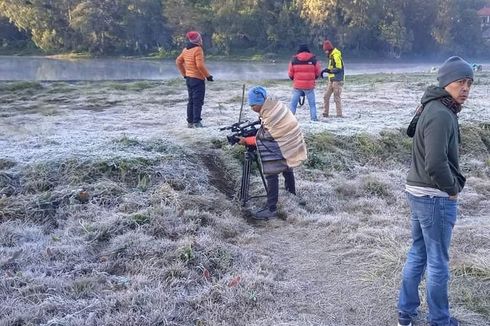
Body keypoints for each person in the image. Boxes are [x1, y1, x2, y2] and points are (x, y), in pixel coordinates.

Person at [397, 56, 474, 326]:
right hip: (434, 196)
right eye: (460, 82)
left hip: (417, 191)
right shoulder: (441, 114)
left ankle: (405, 314)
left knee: (418, 252)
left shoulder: (433, 106)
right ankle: (440, 320)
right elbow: (436, 162)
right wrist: (452, 189)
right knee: (438, 262)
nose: (465, 88)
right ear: (446, 82)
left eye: (469, 83)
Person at [238, 86, 307, 220]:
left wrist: (246, 141)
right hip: (291, 140)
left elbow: (266, 137)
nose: (252, 108)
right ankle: (291, 196)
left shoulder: (270, 114)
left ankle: (271, 208)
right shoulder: (274, 105)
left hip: (284, 141)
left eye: (253, 105)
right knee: (287, 168)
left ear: (260, 102)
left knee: (271, 173)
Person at [175, 31, 213, 128]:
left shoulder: (185, 50)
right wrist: (208, 76)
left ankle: (190, 122)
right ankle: (197, 122)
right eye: (200, 38)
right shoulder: (198, 49)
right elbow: (199, 65)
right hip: (197, 79)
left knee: (191, 101)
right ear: (198, 39)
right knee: (198, 101)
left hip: (189, 79)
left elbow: (178, 62)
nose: (201, 39)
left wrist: (184, 74)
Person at [288, 44, 321, 121]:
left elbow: (290, 74)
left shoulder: (294, 60)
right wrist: (313, 78)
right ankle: (314, 118)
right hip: (309, 86)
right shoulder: (313, 59)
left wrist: (294, 79)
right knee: (312, 105)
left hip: (297, 85)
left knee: (293, 104)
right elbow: (318, 72)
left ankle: (290, 119)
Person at [321, 39, 344, 118]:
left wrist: (329, 70)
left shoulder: (336, 55)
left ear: (328, 50)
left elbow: (339, 67)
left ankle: (339, 115)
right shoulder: (331, 56)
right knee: (326, 96)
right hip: (331, 80)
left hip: (337, 80)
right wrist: (327, 71)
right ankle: (325, 113)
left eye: (325, 50)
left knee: (336, 98)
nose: (325, 52)